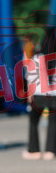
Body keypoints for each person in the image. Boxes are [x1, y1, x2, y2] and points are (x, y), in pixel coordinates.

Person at [22, 31, 56, 160]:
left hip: (38, 94)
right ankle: (50, 151)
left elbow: (30, 78)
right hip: (54, 95)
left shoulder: (36, 58)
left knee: (33, 122)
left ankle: (34, 150)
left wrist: (29, 95)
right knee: (53, 123)